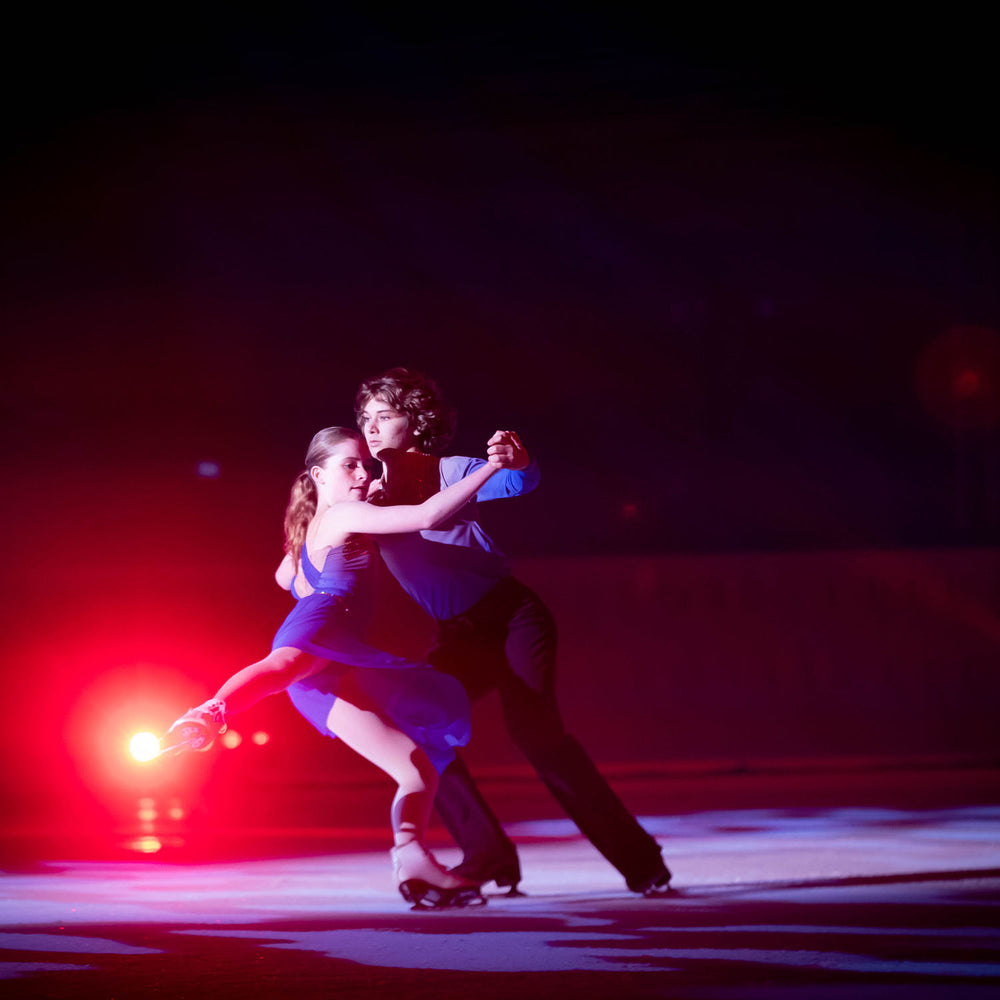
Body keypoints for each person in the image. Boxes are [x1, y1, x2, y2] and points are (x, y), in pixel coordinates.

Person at [355, 368, 673, 897]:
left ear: (416, 422)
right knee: (417, 729)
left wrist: (519, 460)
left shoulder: (450, 469)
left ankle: (643, 863)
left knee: (537, 736)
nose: (371, 427)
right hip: (458, 637)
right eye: (365, 417)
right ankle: (489, 855)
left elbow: (517, 481)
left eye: (384, 416)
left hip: (512, 619)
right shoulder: (368, 494)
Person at [165, 426, 503, 910]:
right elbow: (429, 514)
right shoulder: (345, 515)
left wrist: (331, 531)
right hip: (322, 624)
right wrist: (493, 467)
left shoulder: (311, 532)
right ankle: (210, 711)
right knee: (284, 664)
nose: (363, 472)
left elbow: (284, 576)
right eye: (349, 465)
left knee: (416, 769)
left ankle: (413, 862)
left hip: (327, 669)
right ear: (318, 475)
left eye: (365, 464)